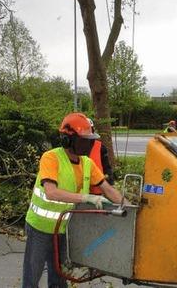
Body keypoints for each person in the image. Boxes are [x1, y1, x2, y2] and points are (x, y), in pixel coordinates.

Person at [22, 112, 124, 288]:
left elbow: (107, 189)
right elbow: (51, 192)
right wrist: (85, 197)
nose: (89, 144)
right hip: (40, 228)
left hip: (64, 229)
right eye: (84, 140)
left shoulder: (87, 163)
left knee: (60, 277)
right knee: (32, 277)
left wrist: (130, 207)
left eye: (90, 140)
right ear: (67, 140)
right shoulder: (51, 158)